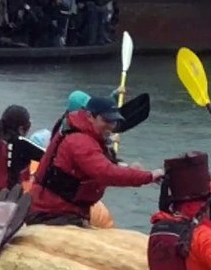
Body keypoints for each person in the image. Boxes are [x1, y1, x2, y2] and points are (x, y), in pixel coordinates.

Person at [27, 96, 161, 226]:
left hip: (69, 210)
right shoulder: (79, 141)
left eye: (113, 121)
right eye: (106, 121)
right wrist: (149, 176)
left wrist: (128, 168)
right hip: (50, 212)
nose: (111, 126)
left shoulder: (86, 133)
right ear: (90, 116)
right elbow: (106, 173)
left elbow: (101, 163)